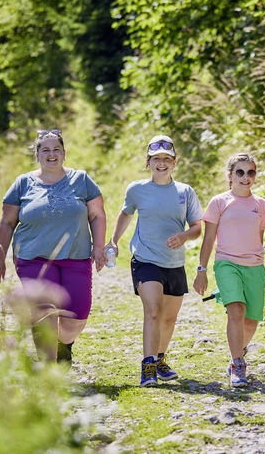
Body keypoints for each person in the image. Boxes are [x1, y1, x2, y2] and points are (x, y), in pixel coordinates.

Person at [0, 129, 106, 364]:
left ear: (64, 153)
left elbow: (97, 215)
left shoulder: (81, 180)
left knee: (76, 317)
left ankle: (64, 344)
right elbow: (6, 221)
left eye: (56, 149)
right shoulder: (22, 184)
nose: (51, 154)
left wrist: (99, 246)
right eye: (45, 149)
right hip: (32, 257)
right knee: (43, 313)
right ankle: (49, 373)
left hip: (76, 257)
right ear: (37, 154)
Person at [104, 135, 202, 387]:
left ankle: (159, 359)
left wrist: (184, 236)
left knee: (169, 318)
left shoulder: (185, 192)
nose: (161, 163)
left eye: (166, 159)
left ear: (175, 162)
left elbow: (197, 228)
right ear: (148, 162)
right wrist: (113, 240)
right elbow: (125, 214)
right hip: (145, 259)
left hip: (174, 262)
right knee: (153, 310)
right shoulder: (137, 189)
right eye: (156, 159)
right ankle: (147, 365)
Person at [193, 153, 265, 387]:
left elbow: (259, 237)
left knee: (250, 321)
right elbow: (208, 239)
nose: (246, 177)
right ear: (230, 176)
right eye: (240, 172)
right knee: (236, 310)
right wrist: (201, 269)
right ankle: (238, 365)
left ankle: (239, 352)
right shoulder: (219, 202)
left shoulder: (261, 205)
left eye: (250, 172)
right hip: (227, 263)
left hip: (254, 267)